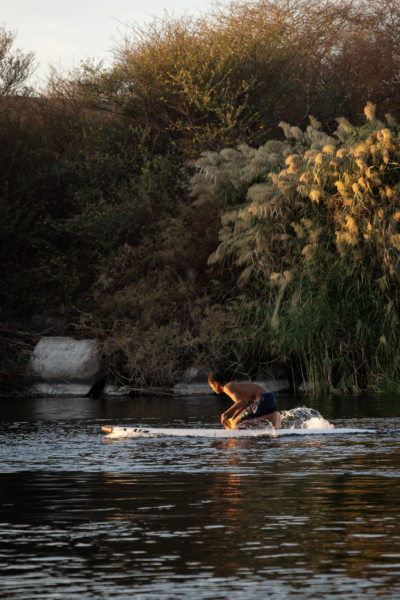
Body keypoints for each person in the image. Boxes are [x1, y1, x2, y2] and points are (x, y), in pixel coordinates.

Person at [208, 371, 281, 430]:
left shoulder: (227, 387)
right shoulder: (233, 386)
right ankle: (273, 417)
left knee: (237, 425)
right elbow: (244, 403)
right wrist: (234, 417)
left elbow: (240, 402)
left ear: (216, 384)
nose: (212, 389)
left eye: (212, 387)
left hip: (263, 399)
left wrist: (224, 414)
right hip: (271, 399)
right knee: (237, 424)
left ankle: (273, 417)